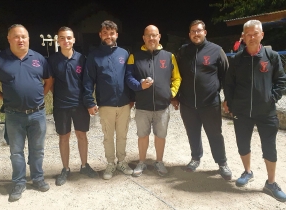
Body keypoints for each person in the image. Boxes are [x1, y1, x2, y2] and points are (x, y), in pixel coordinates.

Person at [0, 24, 53, 202]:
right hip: (14, 115)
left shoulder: (39, 58)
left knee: (37, 150)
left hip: (37, 114)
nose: (21, 39)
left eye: (24, 36)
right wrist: (4, 98)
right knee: (16, 151)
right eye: (16, 36)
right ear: (9, 39)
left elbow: (48, 80)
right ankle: (18, 182)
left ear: (28, 38)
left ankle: (38, 178)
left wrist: (40, 98)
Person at [224, 20, 286, 202]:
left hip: (266, 112)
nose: (251, 37)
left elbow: (281, 80)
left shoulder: (272, 56)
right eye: (248, 34)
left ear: (262, 35)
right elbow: (229, 84)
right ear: (243, 36)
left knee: (270, 147)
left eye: (255, 33)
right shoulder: (236, 60)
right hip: (242, 112)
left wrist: (271, 98)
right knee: (243, 144)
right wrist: (230, 101)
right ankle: (247, 171)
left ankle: (271, 183)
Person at [173, 20, 232, 180]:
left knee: (215, 134)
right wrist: (175, 96)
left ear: (205, 32)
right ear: (189, 34)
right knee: (192, 132)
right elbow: (176, 75)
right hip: (187, 103)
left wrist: (228, 98)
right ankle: (195, 158)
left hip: (210, 103)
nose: (196, 34)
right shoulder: (183, 51)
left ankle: (222, 163)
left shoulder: (216, 50)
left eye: (199, 30)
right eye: (193, 31)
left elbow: (226, 76)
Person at [125, 25, 181, 177]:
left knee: (160, 136)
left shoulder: (169, 56)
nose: (151, 38)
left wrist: (171, 93)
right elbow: (128, 78)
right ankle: (141, 162)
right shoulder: (134, 56)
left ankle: (159, 162)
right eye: (148, 35)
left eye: (154, 35)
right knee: (142, 135)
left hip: (162, 106)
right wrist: (139, 85)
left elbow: (177, 78)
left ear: (159, 37)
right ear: (143, 38)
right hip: (142, 106)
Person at [83, 20, 133, 180]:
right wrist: (89, 102)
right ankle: (110, 163)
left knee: (122, 135)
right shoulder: (94, 56)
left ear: (116, 34)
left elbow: (129, 77)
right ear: (100, 34)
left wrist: (132, 98)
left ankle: (122, 161)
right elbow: (88, 81)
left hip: (124, 104)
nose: (108, 36)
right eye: (105, 33)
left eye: (111, 33)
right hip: (106, 105)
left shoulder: (124, 53)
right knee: (108, 136)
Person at [48, 26, 98, 186]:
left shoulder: (82, 59)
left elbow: (87, 83)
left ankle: (84, 165)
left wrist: (89, 102)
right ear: (58, 40)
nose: (66, 40)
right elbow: (50, 83)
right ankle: (66, 169)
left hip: (79, 105)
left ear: (74, 40)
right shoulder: (52, 60)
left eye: (68, 37)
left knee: (82, 135)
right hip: (61, 106)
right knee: (64, 137)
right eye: (62, 38)